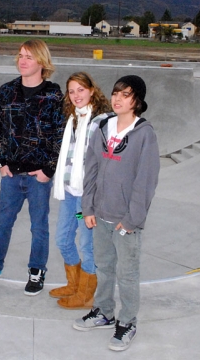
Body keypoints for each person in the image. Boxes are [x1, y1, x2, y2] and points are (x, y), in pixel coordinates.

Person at [73, 75, 160, 352]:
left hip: (126, 221)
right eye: (115, 93)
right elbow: (91, 170)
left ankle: (128, 322)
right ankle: (104, 312)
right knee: (104, 266)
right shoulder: (103, 127)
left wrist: (131, 221)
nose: (118, 99)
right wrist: (88, 207)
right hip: (100, 215)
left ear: (138, 101)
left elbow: (145, 181)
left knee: (127, 273)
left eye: (126, 95)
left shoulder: (144, 133)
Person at [0, 39, 64, 296]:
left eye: (28, 56)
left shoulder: (54, 94)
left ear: (41, 61)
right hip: (11, 173)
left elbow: (60, 135)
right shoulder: (7, 91)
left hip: (39, 175)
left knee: (39, 225)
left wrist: (49, 169)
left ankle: (37, 270)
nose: (22, 60)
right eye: (20, 55)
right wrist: (2, 162)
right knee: (2, 220)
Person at [50, 72, 111, 309]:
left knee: (87, 245)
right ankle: (73, 283)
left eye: (81, 90)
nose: (76, 95)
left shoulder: (102, 122)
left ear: (92, 90)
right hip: (68, 193)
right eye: (71, 91)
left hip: (87, 197)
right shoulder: (73, 119)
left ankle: (86, 293)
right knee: (63, 239)